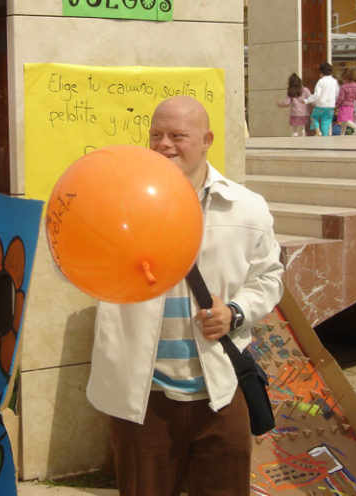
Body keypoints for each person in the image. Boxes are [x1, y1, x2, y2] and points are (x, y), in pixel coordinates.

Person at [87, 95, 284, 496]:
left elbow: (269, 278)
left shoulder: (245, 207)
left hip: (220, 389)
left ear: (207, 139)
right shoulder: (119, 205)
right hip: (144, 396)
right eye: (156, 135)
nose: (164, 144)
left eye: (178, 135)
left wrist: (235, 312)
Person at [305, 62, 339, 137]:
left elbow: (317, 94)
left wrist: (307, 100)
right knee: (326, 122)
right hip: (331, 105)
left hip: (321, 104)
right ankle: (324, 136)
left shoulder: (321, 81)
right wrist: (335, 102)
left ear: (321, 72)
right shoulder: (334, 81)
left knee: (314, 117)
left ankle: (318, 132)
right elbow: (337, 93)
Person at [334, 68, 356, 136]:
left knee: (344, 120)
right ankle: (342, 133)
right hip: (351, 105)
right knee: (345, 120)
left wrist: (337, 104)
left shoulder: (344, 87)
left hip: (344, 105)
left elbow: (341, 98)